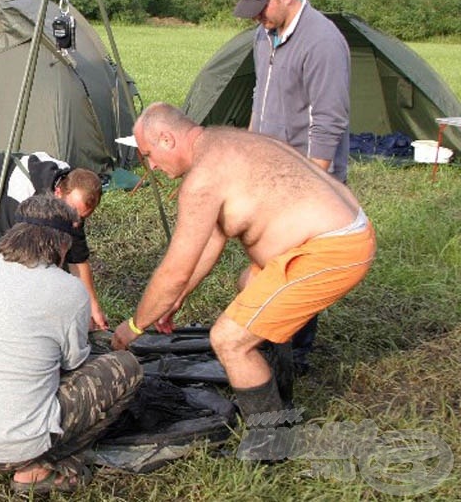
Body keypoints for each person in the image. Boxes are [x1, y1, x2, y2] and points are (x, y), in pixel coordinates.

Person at [110, 103, 375, 458]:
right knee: (248, 282)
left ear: (167, 138)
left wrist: (133, 326)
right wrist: (177, 298)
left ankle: (271, 443)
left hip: (333, 249)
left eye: (149, 155)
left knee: (229, 340)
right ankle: (278, 381)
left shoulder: (202, 180)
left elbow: (173, 270)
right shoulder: (221, 143)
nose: (151, 166)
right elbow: (207, 247)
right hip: (339, 232)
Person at [0, 195, 142, 495]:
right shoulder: (69, 290)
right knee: (125, 368)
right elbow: (73, 362)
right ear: (62, 243)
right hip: (17, 442)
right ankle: (36, 468)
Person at [234, 0, 352, 374]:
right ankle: (265, 333)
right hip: (270, 172)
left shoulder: (322, 42)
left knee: (297, 262)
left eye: (261, 8)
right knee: (268, 257)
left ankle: (295, 352)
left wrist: (308, 188)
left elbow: (329, 122)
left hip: (307, 176)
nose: (258, 19)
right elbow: (258, 97)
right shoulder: (263, 35)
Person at [0, 151, 109, 328]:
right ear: (58, 193)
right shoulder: (22, 195)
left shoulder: (73, 197)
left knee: (55, 268)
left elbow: (77, 258)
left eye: (82, 218)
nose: (76, 224)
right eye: (74, 215)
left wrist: (92, 307)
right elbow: (14, 258)